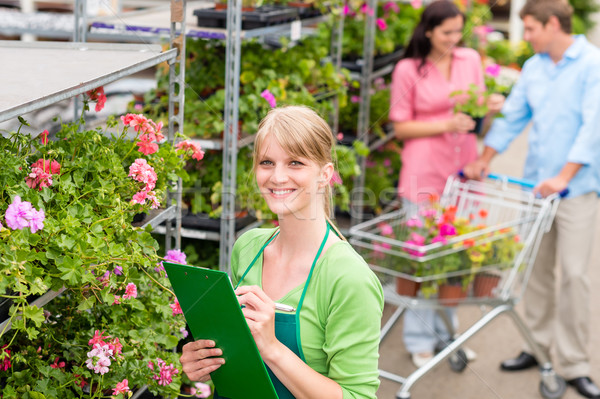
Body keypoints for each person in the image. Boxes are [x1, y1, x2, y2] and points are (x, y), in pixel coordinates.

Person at [180, 105, 384, 399]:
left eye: (295, 163)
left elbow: (357, 395)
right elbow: (241, 364)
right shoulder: (248, 248)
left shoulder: (348, 278)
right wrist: (204, 360)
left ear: (325, 174)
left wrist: (272, 348)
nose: (277, 177)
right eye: (266, 162)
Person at [463, 0, 600, 397]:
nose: (528, 37)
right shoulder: (534, 68)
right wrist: (485, 158)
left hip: (577, 187)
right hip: (535, 188)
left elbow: (594, 127)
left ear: (553, 24)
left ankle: (573, 364)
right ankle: (537, 348)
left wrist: (564, 176)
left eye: (532, 29)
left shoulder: (592, 64)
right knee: (536, 273)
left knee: (574, 275)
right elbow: (513, 115)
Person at [389, 0, 503, 368]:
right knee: (422, 260)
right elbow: (401, 126)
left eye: (459, 31)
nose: (454, 39)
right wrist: (445, 123)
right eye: (447, 33)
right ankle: (419, 340)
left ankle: (448, 337)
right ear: (428, 32)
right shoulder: (408, 69)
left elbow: (477, 111)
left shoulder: (470, 59)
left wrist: (490, 105)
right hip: (424, 171)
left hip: (463, 170)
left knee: (455, 261)